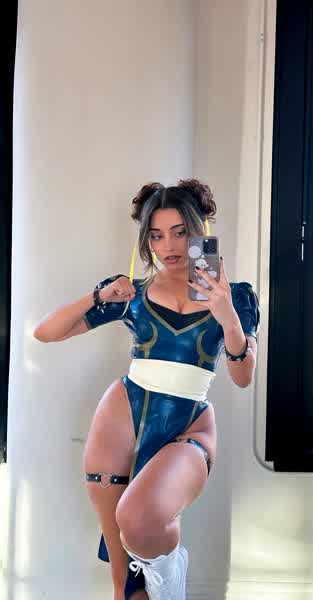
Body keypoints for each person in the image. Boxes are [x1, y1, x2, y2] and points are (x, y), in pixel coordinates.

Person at [33, 179, 260, 600]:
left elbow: (243, 376)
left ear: (201, 232)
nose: (168, 246)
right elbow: (46, 332)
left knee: (139, 520)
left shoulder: (236, 297)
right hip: (122, 415)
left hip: (189, 422)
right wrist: (98, 295)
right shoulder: (132, 295)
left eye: (180, 232)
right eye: (156, 235)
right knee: (125, 587)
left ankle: (170, 572)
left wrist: (227, 316)